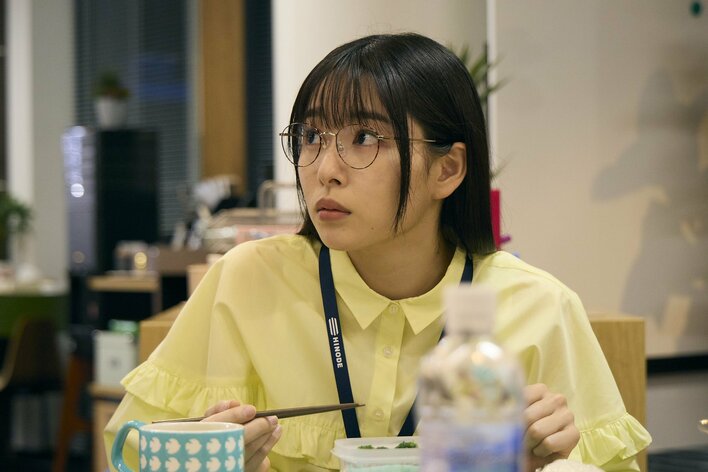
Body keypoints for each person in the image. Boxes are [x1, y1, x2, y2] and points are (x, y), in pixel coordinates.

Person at [105, 32, 651, 471]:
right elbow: (128, 454)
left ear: (447, 169)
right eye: (311, 137)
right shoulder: (247, 280)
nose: (325, 169)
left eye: (365, 138)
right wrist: (202, 458)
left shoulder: (538, 308)